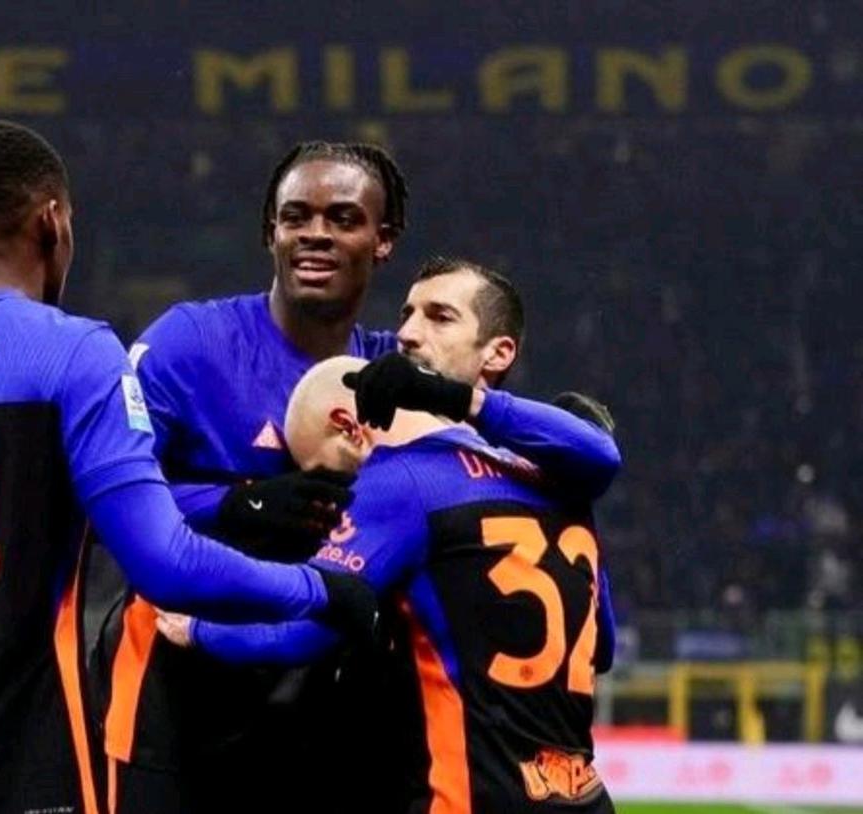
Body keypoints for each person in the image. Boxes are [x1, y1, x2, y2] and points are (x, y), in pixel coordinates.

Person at [0, 121, 378, 814]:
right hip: (21, 772)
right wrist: (318, 591)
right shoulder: (75, 355)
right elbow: (165, 562)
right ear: (52, 224)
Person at [94, 143, 620, 814]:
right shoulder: (188, 345)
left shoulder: (390, 378)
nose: (316, 233)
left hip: (323, 715)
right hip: (177, 697)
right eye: (296, 216)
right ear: (270, 232)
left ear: (383, 240)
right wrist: (235, 503)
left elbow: (565, 455)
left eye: (343, 218)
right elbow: (93, 504)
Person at [161, 353, 617, 813]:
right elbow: (605, 647)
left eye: (327, 474)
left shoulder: (396, 481)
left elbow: (302, 634)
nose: (336, 500)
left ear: (348, 426)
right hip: (585, 797)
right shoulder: (548, 478)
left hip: (477, 798)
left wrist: (199, 630)